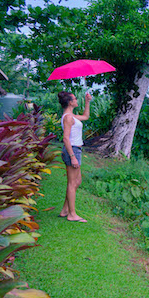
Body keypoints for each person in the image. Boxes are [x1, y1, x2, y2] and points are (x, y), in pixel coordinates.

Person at [58, 91, 91, 223]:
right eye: (75, 99)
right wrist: (72, 156)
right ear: (70, 102)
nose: (77, 100)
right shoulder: (68, 118)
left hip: (76, 149)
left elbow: (86, 116)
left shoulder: (71, 116)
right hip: (72, 150)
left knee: (77, 182)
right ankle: (72, 214)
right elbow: (66, 138)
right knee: (72, 183)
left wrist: (87, 101)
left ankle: (65, 209)